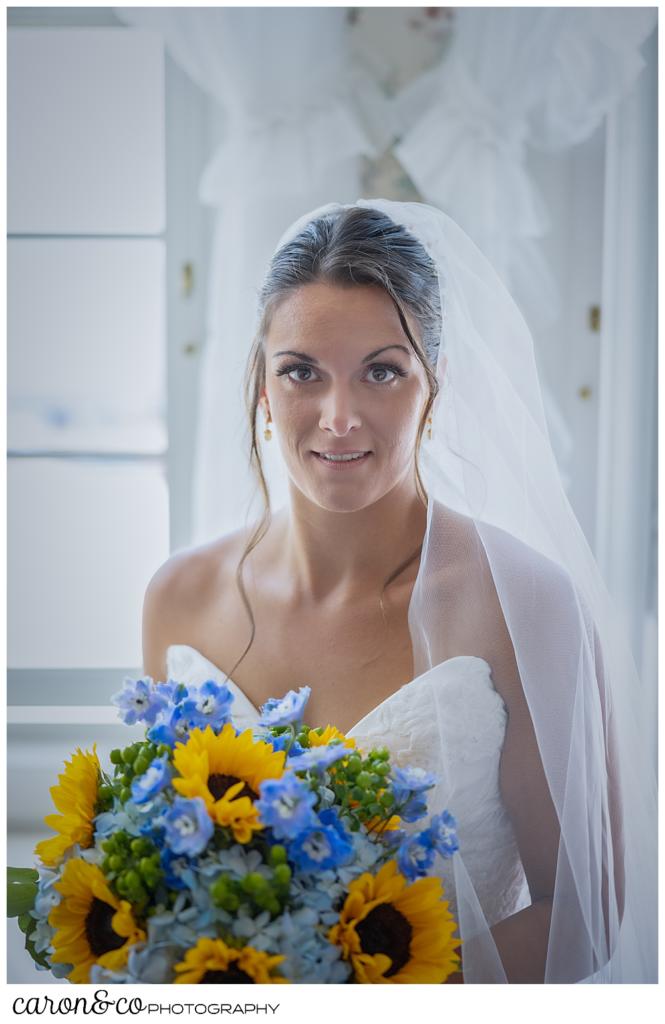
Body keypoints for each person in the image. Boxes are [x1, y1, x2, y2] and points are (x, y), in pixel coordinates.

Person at [142, 199, 656, 984]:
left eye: (381, 371)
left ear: (434, 387)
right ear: (260, 386)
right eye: (301, 372)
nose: (339, 417)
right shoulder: (177, 599)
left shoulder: (525, 605)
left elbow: (581, 915)